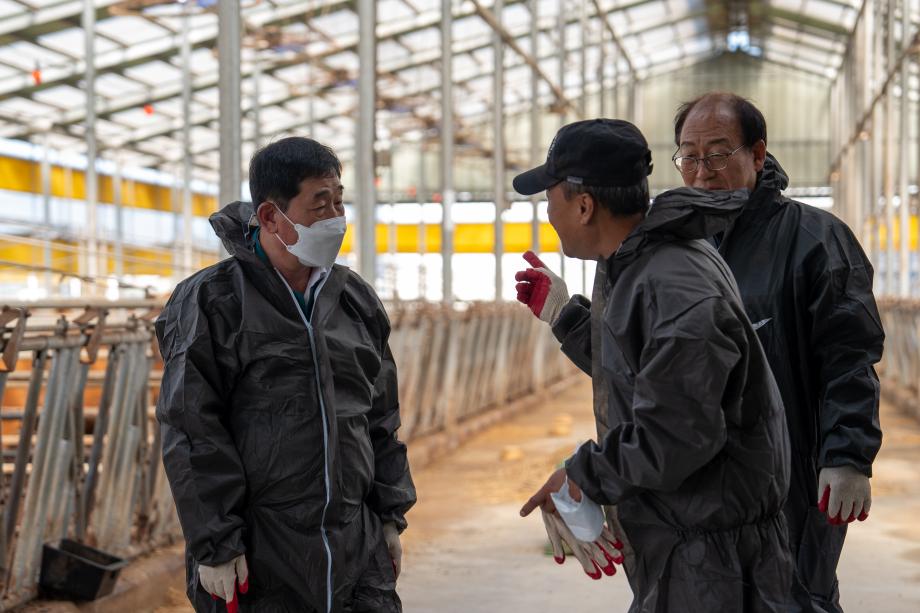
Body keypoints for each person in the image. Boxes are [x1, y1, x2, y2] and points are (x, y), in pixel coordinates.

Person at [516, 118, 794, 611]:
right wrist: (565, 317)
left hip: (715, 563)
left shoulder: (672, 282)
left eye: (550, 200)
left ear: (584, 206)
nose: (549, 215)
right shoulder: (643, 261)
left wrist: (582, 474)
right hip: (687, 539)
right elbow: (651, 373)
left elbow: (678, 431)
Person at [155, 137, 416, 613]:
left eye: (339, 200)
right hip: (261, 554)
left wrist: (388, 515)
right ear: (272, 217)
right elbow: (192, 429)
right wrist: (217, 543)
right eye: (320, 204)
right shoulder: (212, 302)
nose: (337, 216)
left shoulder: (354, 299)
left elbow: (380, 417)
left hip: (355, 546)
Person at [671, 92, 885, 612]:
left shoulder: (816, 240)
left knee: (794, 597)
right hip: (705, 482)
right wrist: (570, 318)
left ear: (758, 154)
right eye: (689, 156)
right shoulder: (680, 248)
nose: (702, 173)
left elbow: (848, 355)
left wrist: (847, 454)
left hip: (791, 476)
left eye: (718, 154)